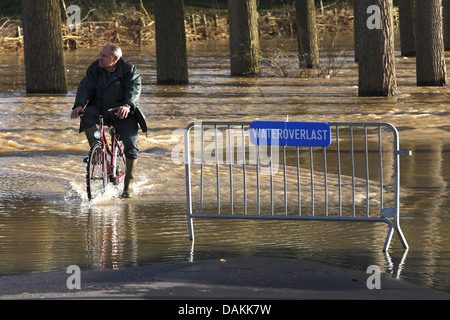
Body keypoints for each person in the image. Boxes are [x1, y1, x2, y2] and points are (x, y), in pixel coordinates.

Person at [70, 43, 147, 198]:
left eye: (104, 56)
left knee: (131, 147)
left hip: (124, 112)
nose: (100, 58)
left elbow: (134, 89)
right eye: (100, 54)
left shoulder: (129, 70)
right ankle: (97, 151)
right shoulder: (94, 69)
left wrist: (127, 105)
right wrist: (78, 105)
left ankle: (128, 186)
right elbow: (85, 87)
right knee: (86, 116)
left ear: (115, 59)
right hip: (100, 108)